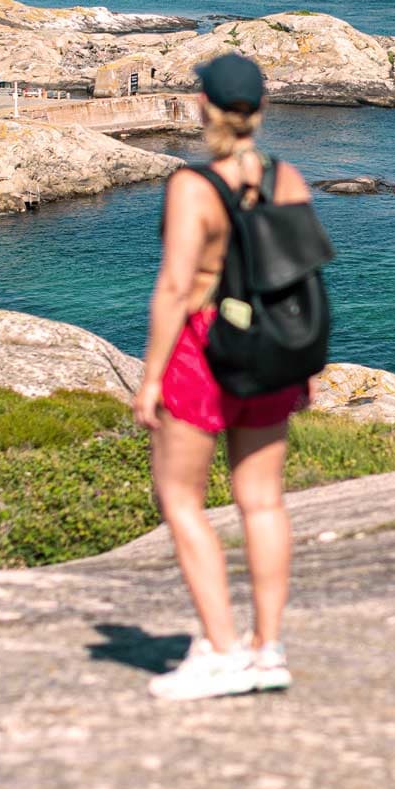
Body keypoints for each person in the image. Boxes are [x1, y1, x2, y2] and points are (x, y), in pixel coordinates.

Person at [136, 52, 310, 702]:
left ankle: (221, 649)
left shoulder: (192, 187)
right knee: (262, 499)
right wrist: (303, 363)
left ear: (203, 106)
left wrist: (150, 377)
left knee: (181, 500)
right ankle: (269, 650)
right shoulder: (286, 178)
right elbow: (301, 278)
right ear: (261, 110)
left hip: (205, 347)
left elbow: (177, 286)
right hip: (271, 347)